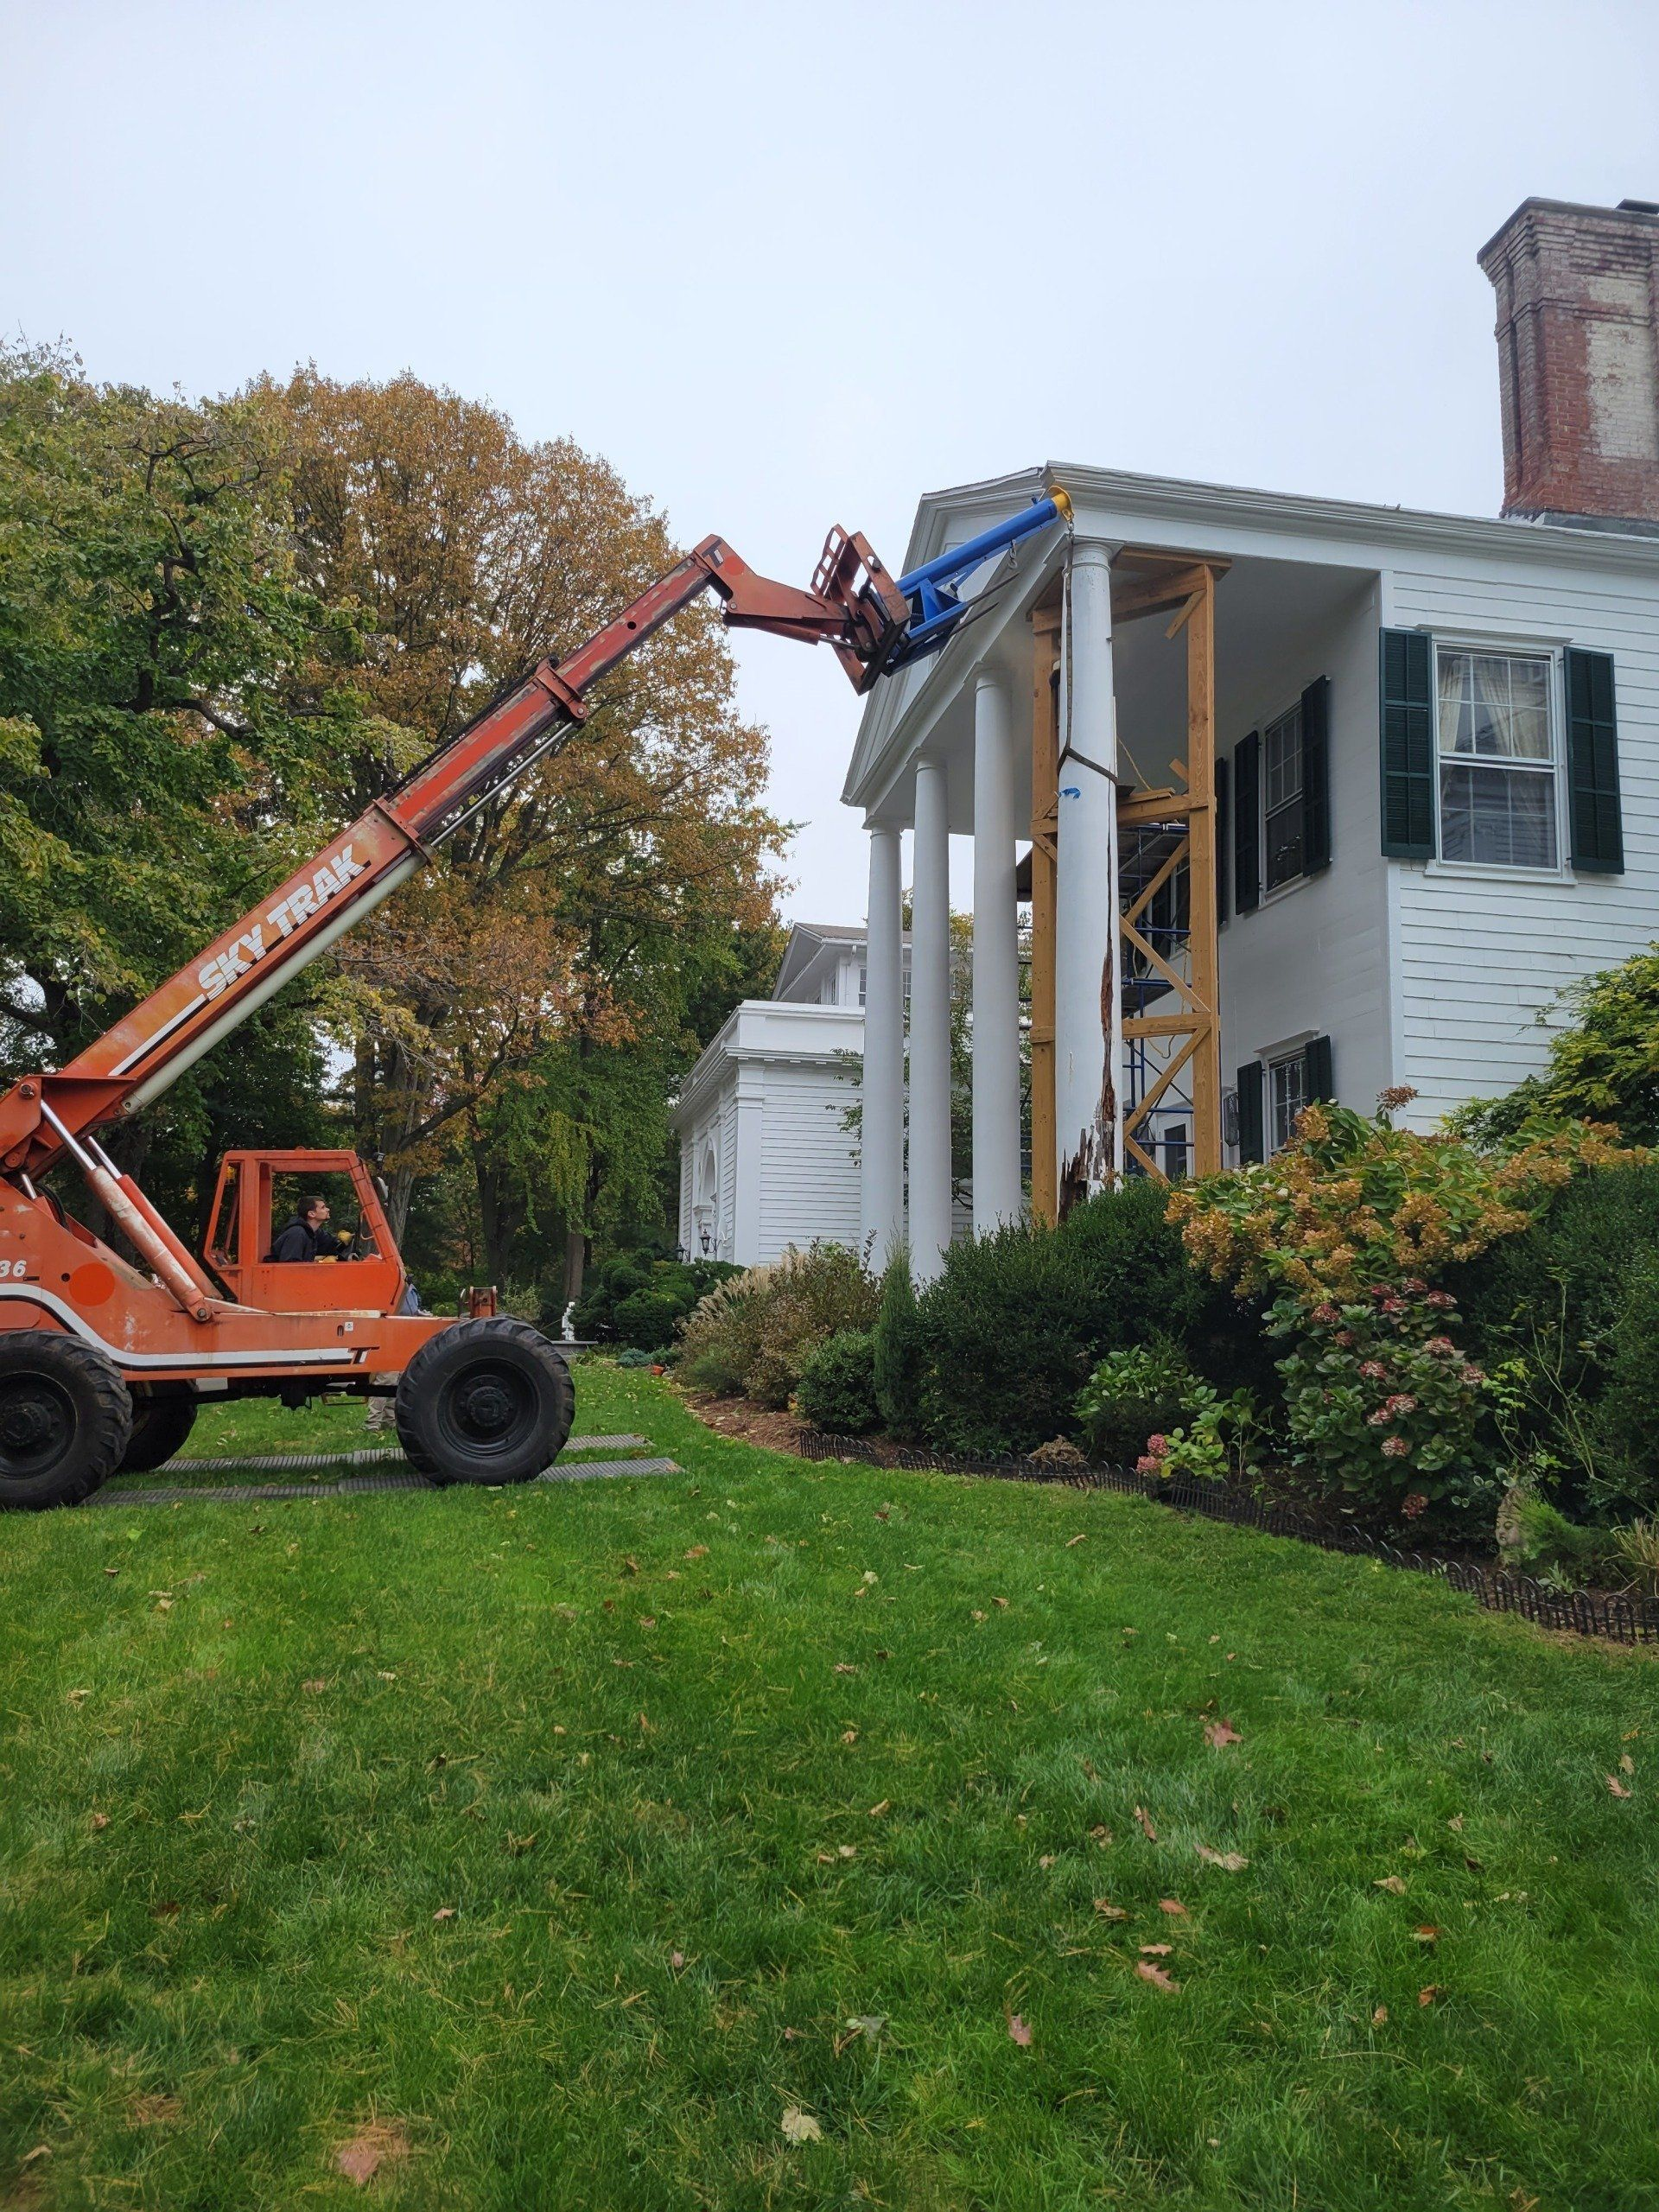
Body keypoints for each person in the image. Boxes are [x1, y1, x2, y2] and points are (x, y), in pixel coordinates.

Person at [268, 1195, 330, 1263]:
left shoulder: (314, 1232)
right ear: (311, 1214)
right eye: (323, 1207)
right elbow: (290, 1266)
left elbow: (332, 1244)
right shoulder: (297, 1234)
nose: (328, 1209)